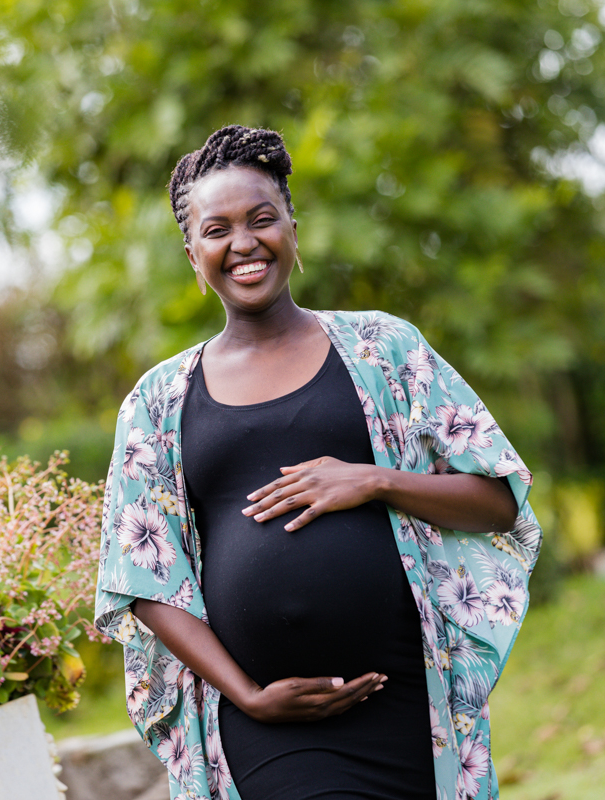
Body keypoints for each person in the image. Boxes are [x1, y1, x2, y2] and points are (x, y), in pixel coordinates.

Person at [94, 125, 543, 800]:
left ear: (293, 230)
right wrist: (248, 695)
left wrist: (375, 481)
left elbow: (498, 500)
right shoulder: (158, 402)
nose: (243, 243)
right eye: (217, 230)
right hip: (263, 723)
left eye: (261, 219)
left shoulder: (384, 348)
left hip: (405, 705)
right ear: (193, 255)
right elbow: (144, 579)